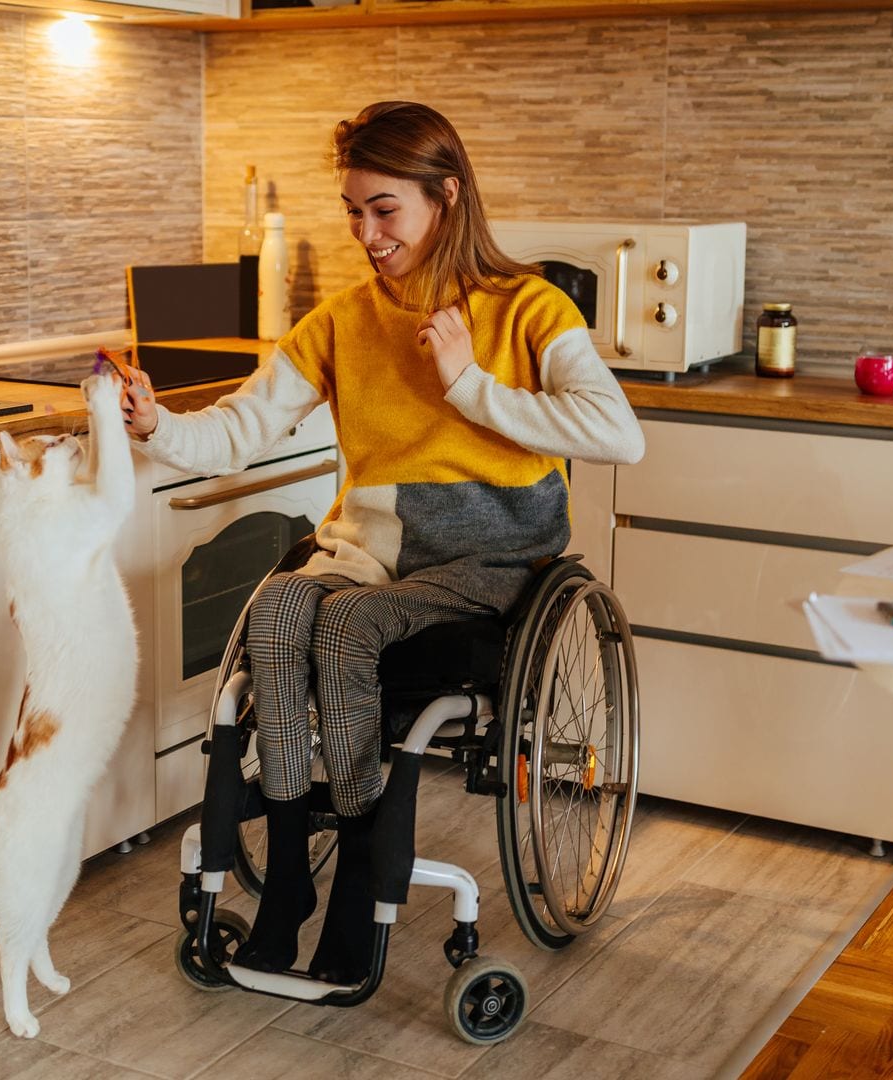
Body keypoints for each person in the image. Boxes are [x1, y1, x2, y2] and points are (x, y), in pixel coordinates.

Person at [115, 101, 644, 984]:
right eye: (354, 211)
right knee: (278, 608)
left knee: (347, 628)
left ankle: (358, 881)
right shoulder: (344, 319)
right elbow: (244, 425)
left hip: (495, 560)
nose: (366, 232)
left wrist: (469, 385)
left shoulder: (528, 308)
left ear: (445, 195)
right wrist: (157, 423)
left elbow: (617, 433)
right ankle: (288, 880)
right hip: (376, 550)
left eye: (384, 209)